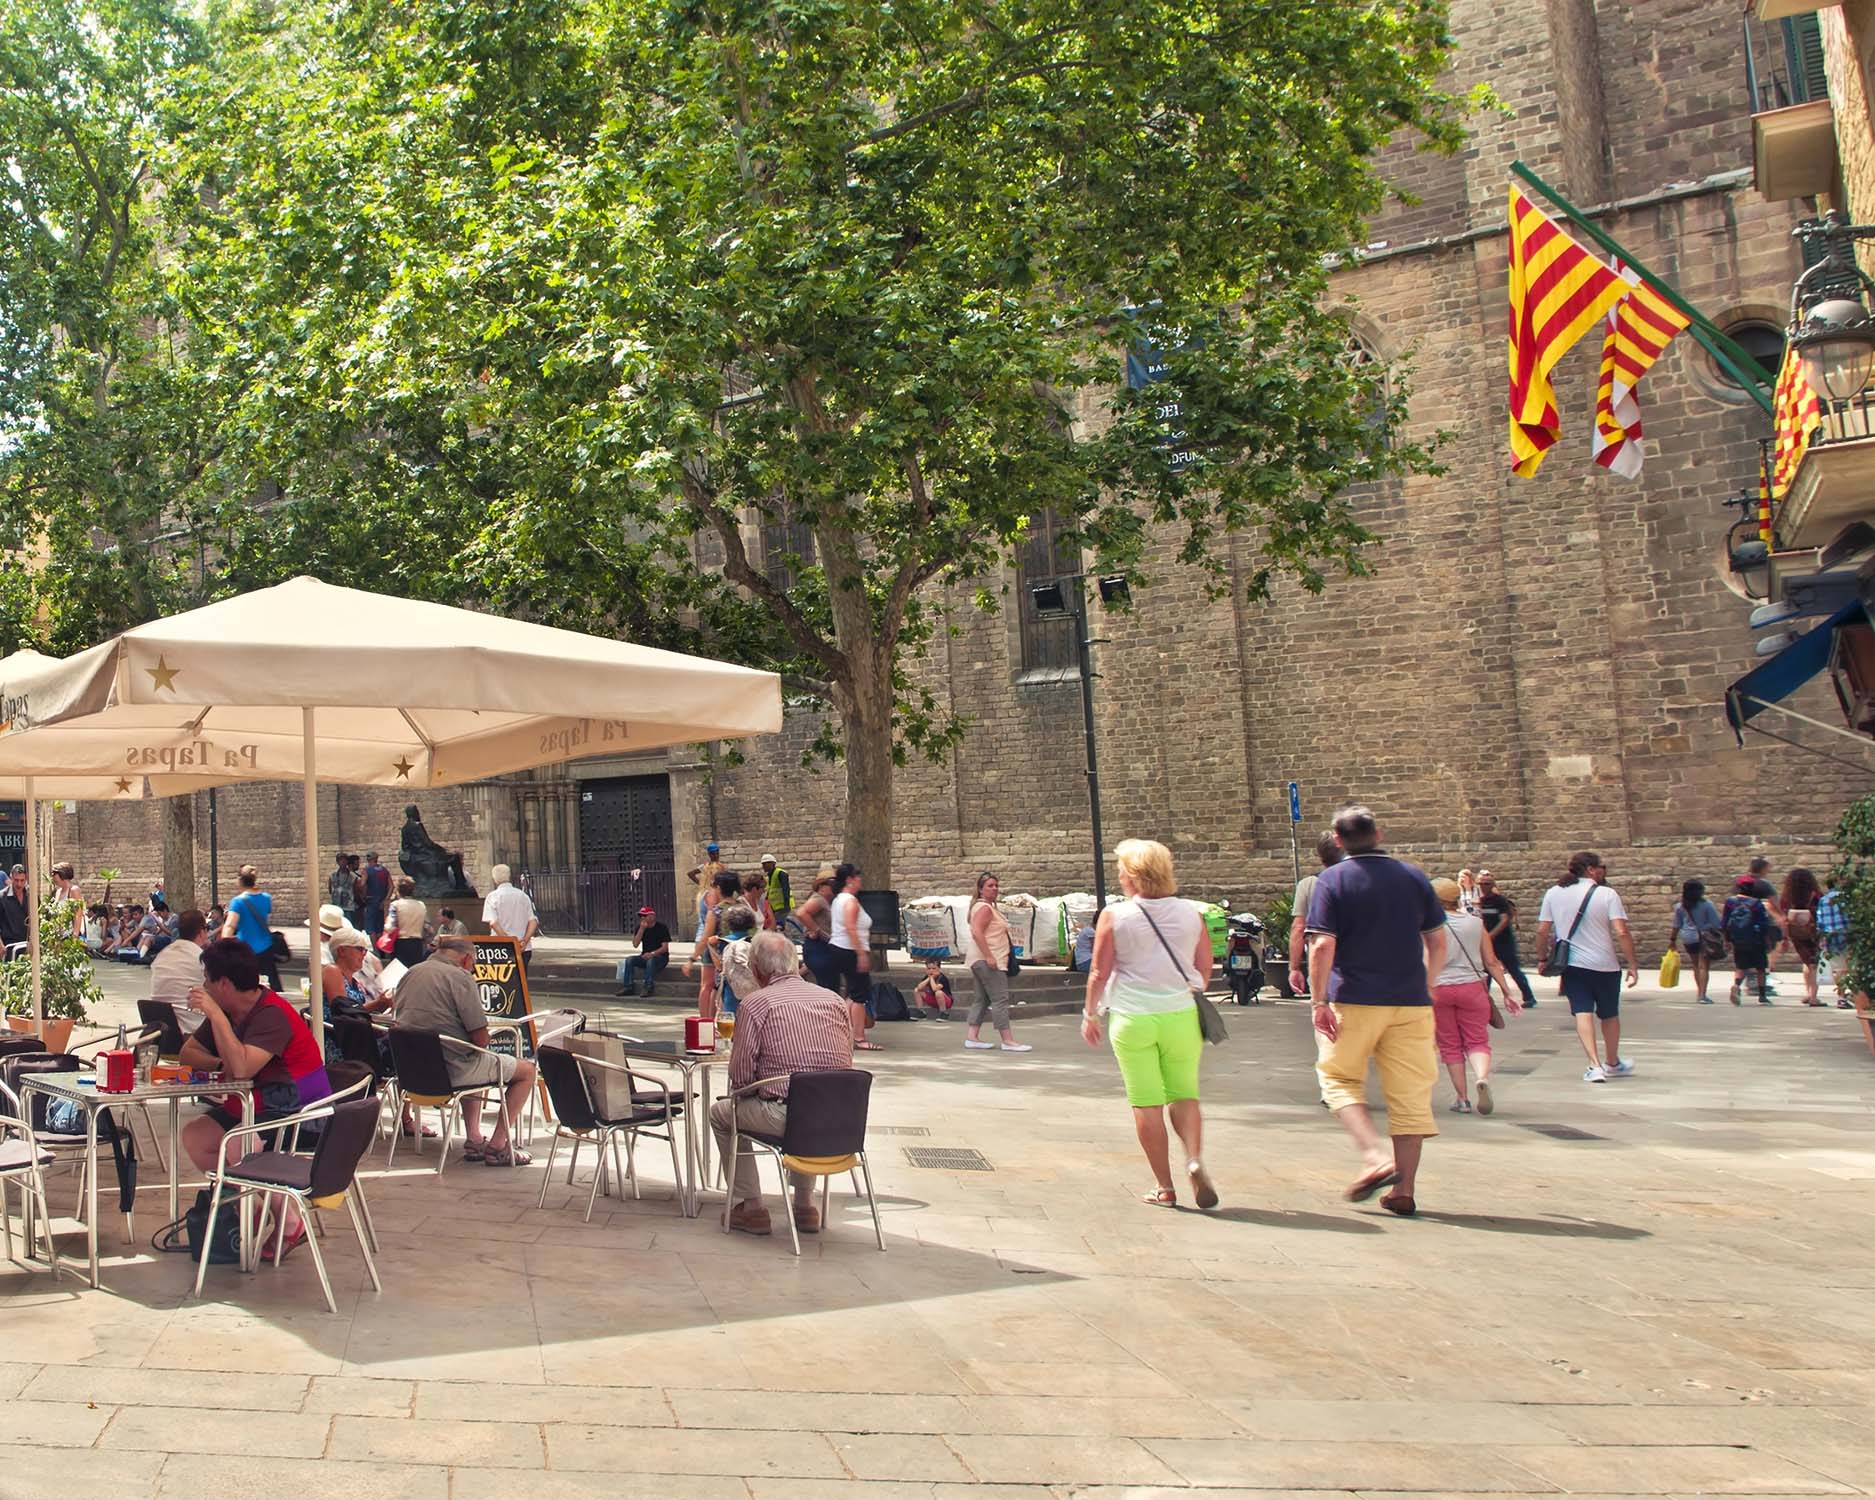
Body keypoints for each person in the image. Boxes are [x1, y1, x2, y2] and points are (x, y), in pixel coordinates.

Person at [1306, 805, 1446, 1215]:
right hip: (1410, 1000)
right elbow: (1437, 942)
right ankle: (1404, 1190)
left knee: (1338, 1079)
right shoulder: (1414, 877)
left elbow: (1323, 944)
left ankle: (1373, 1156)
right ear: (1379, 834)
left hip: (1354, 997)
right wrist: (1429, 984)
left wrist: (1318, 1001)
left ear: (1337, 840)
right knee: (1410, 1097)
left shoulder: (1332, 881)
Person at [1080, 838, 1216, 1209]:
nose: (1119, 874)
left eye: (1122, 869)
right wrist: (1182, 988)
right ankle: (1193, 1159)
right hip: (1181, 1016)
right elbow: (1205, 968)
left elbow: (1098, 971)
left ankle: (1164, 1186)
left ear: (1133, 876)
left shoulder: (1115, 915)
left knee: (1146, 1102)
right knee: (1184, 1093)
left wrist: (1090, 1013)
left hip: (1132, 1016)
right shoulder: (1192, 913)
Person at [179, 938, 333, 1258]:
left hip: (301, 1108)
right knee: (197, 1136)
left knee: (236, 1143)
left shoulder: (271, 1013)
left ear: (222, 983)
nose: (203, 985)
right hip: (255, 1104)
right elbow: (188, 1053)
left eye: (207, 978)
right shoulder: (228, 1010)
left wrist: (218, 1023)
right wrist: (220, 1061)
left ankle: (289, 1220)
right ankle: (248, 1206)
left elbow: (244, 1068)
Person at [712, 930, 854, 1236]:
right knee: (809, 1101)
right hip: (840, 1117)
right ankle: (805, 1205)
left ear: (758, 970)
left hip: (784, 1116)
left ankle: (752, 1207)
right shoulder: (834, 1000)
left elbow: (740, 1075)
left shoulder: (756, 1004)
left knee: (722, 1114)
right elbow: (847, 1058)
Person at [393, 935, 536, 1165]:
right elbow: (480, 1038)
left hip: (411, 1072)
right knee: (527, 1071)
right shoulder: (460, 977)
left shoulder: (411, 972)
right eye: (475, 964)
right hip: (451, 1070)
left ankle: (475, 1138)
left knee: (477, 1058)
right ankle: (499, 1145)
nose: (474, 968)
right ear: (467, 959)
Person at [1536, 852, 1639, 1081]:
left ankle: (1594, 1065)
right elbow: (1621, 931)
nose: (1603, 871)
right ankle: (1612, 1061)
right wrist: (1632, 964)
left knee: (1582, 1012)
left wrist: (1543, 958)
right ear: (1591, 869)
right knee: (1609, 1014)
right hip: (1606, 964)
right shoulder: (1607, 894)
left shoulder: (1554, 893)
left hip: (1573, 964)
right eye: (1601, 867)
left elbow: (1542, 930)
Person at [1429, 877, 1519, 1114]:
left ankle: (1462, 1098)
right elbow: (1491, 961)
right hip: (1473, 986)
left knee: (1450, 1044)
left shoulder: (1427, 926)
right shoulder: (1475, 923)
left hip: (1439, 988)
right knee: (1477, 1040)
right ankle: (1481, 1077)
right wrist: (1507, 992)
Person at [963, 871, 1030, 1052]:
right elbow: (977, 932)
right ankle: (1007, 1040)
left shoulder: (983, 907)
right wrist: (990, 956)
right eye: (990, 886)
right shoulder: (984, 908)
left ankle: (972, 1036)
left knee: (982, 999)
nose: (994, 889)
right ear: (981, 889)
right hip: (989, 960)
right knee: (1000, 998)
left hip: (979, 959)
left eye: (996, 885)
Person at [829, 862, 881, 1051]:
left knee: (853, 993)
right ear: (849, 880)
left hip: (839, 948)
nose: (860, 880)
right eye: (857, 876)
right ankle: (859, 1037)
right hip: (849, 949)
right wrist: (861, 954)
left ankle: (839, 1027)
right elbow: (851, 928)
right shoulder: (850, 901)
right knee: (860, 994)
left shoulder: (838, 899)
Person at [1287, 834, 1342, 999]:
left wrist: (1294, 968)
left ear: (1320, 856)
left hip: (1322, 965)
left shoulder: (1309, 885)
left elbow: (1298, 928)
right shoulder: (1360, 880)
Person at [683, 870, 743, 1017]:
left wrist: (692, 959)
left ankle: (706, 1022)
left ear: (719, 888)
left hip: (717, 955)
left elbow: (705, 938)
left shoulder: (715, 911)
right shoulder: (742, 907)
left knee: (709, 987)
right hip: (739, 953)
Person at [1474, 871, 1537, 1010]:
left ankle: (1529, 997)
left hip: (1503, 941)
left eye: (1487, 883)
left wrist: (1489, 936)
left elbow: (1504, 920)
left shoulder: (1499, 900)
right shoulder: (1477, 900)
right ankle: (1485, 999)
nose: (1483, 886)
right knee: (1486, 971)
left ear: (1493, 885)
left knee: (1513, 969)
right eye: (1480, 883)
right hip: (1485, 941)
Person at [222, 864, 282, 992]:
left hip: (246, 952)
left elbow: (230, 925)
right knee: (269, 988)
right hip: (266, 950)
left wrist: (224, 946)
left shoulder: (237, 902)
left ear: (240, 880)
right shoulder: (266, 898)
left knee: (246, 988)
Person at [149, 909, 210, 1033]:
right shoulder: (202, 958)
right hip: (192, 1028)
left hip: (160, 1026)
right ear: (202, 931)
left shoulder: (163, 954)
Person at [1723, 876, 1777, 1006]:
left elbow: (1724, 922)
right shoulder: (1756, 903)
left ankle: (1736, 986)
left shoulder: (1730, 902)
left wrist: (1727, 940)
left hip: (1738, 939)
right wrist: (1768, 940)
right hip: (1756, 940)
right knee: (1760, 968)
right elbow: (1763, 924)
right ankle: (1762, 996)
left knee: (1741, 966)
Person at [1672, 879, 1724, 1004]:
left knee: (1696, 965)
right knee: (1704, 967)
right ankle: (1702, 995)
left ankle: (1699, 991)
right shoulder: (1706, 905)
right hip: (1704, 937)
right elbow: (1716, 923)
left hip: (1688, 937)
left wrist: (1672, 940)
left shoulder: (1680, 906)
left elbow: (1676, 924)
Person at [481, 863, 539, 971]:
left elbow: (493, 923)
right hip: (523, 947)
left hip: (500, 948)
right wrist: (525, 941)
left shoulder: (492, 897)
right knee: (521, 982)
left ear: (495, 879)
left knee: (504, 983)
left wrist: (509, 941)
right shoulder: (523, 896)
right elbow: (533, 921)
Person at [1779, 867, 1824, 1006]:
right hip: (1813, 931)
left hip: (1796, 933)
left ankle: (1808, 993)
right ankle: (1813, 997)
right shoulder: (1815, 896)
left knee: (1806, 962)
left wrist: (1784, 938)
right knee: (1814, 964)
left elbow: (1784, 918)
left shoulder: (1786, 898)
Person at [712, 902, 760, 1014]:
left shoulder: (723, 942)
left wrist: (712, 947)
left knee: (731, 1015)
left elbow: (719, 966)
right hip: (752, 987)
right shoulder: (754, 942)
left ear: (728, 924)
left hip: (731, 987)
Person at [795, 872, 838, 990]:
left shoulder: (825, 901)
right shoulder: (818, 900)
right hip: (818, 947)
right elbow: (801, 913)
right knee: (828, 985)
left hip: (823, 947)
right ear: (822, 887)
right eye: (831, 886)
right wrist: (816, 929)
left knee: (830, 984)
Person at [616, 906, 672, 996]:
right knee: (629, 960)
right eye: (641, 916)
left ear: (652, 916)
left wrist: (652, 954)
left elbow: (665, 948)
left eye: (645, 915)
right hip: (645, 956)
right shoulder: (640, 928)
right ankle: (628, 986)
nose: (643, 918)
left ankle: (648, 987)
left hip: (660, 958)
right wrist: (641, 930)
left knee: (651, 961)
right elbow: (635, 944)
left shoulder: (662, 927)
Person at [1817, 875, 1852, 1007]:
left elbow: (1820, 921)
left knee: (1838, 969)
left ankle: (1841, 997)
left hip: (1830, 936)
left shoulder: (1823, 900)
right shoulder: (1847, 897)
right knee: (1852, 967)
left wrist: (1822, 938)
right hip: (1848, 934)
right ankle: (1856, 994)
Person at [386, 876, 428, 969]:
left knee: (398, 975)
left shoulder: (395, 905)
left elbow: (389, 927)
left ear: (398, 890)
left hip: (401, 945)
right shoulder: (421, 905)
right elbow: (429, 928)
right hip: (417, 945)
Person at [360, 850, 391, 937]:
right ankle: (380, 947)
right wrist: (385, 900)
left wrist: (363, 896)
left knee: (371, 927)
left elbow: (362, 884)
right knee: (379, 926)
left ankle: (375, 949)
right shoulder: (384, 870)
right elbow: (391, 887)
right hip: (381, 902)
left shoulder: (366, 870)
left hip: (371, 901)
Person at [49, 861, 84, 936]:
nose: (53, 877)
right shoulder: (58, 892)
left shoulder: (74, 890)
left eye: (55, 874)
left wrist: (75, 935)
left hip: (70, 935)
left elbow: (78, 914)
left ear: (62, 875)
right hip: (58, 936)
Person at [0, 863, 27, 952]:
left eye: (22, 880)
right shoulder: (2, 897)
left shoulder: (31, 896)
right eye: (16, 880)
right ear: (11, 878)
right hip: (9, 946)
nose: (19, 884)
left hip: (28, 944)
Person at [761, 855, 793, 921]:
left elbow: (786, 889)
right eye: (763, 864)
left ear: (773, 863)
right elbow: (770, 892)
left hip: (782, 907)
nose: (763, 866)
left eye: (765, 864)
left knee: (779, 927)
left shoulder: (780, 873)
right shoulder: (770, 876)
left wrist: (786, 905)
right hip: (774, 907)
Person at [327, 853, 355, 925]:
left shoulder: (353, 876)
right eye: (340, 860)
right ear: (337, 862)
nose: (343, 862)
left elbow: (356, 890)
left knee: (347, 927)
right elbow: (330, 889)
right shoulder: (332, 876)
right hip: (336, 906)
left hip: (348, 907)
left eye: (344, 860)